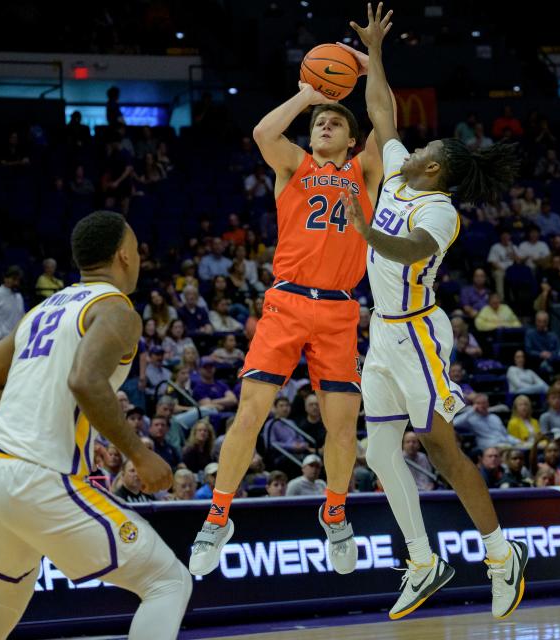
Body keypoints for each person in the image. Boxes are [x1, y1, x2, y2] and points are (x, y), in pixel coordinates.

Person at [188, 5, 391, 579]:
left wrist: (369, 58)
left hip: (339, 309)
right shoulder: (294, 166)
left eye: (334, 122)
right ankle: (217, 517)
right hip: (286, 301)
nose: (323, 127)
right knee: (250, 411)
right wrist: (309, 93)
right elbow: (261, 131)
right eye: (318, 124)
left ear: (352, 139)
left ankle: (335, 513)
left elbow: (384, 113)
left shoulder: (363, 172)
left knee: (342, 424)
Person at [343, 4, 528, 621]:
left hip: (419, 332)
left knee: (443, 450)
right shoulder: (399, 173)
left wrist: (366, 230)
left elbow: (410, 250)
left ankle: (501, 554)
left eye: (425, 147)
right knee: (380, 453)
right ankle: (424, 561)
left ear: (438, 167)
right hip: (383, 334)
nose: (412, 144)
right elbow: (380, 109)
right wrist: (375, 54)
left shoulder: (441, 212)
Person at [0, 211, 192, 640]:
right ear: (124, 254)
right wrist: (140, 453)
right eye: (136, 249)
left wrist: (33, 422)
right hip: (37, 479)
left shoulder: (42, 309)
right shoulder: (117, 309)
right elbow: (84, 380)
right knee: (167, 582)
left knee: (2, 604)